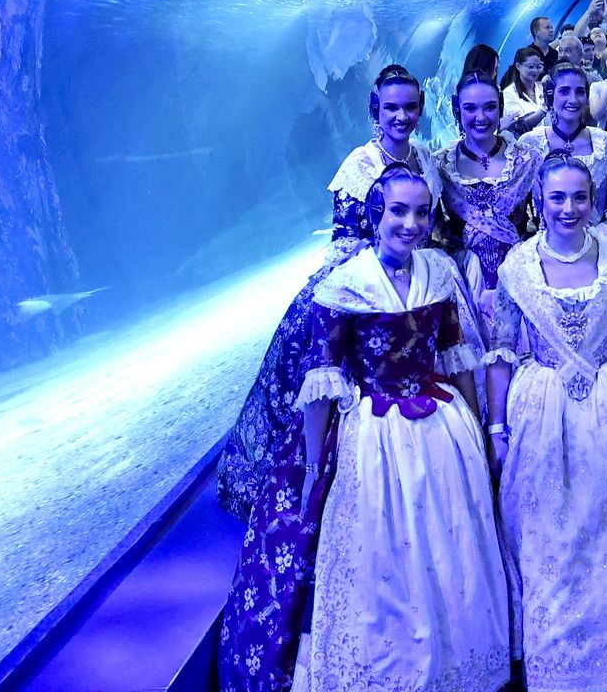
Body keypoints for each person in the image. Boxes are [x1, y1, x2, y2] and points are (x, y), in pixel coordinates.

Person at [219, 164, 508, 692]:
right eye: (398, 211)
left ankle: (456, 656)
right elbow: (323, 380)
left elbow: (454, 353)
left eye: (421, 212)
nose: (411, 223)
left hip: (440, 427)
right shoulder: (345, 287)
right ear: (376, 215)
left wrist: (479, 425)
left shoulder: (439, 274)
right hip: (372, 435)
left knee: (449, 545)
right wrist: (310, 467)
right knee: (383, 556)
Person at [216, 64, 441, 521]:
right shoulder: (359, 166)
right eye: (391, 107)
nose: (401, 116)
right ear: (375, 110)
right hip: (363, 286)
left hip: (418, 281)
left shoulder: (425, 158)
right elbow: (345, 239)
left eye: (410, 107)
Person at [486, 155, 607, 692]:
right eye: (556, 199)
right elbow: (500, 352)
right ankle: (556, 666)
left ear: (593, 200)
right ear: (538, 203)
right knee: (552, 542)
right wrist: (497, 430)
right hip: (543, 412)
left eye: (579, 197)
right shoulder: (517, 268)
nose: (569, 208)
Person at [435, 71, 543, 341]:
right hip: (465, 280)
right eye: (470, 108)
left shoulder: (527, 159)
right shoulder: (439, 165)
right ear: (456, 109)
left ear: (501, 108)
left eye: (489, 107)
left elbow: (544, 224)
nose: (480, 117)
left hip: (519, 272)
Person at [517, 60, 607, 246]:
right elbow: (519, 212)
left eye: (579, 92)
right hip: (546, 245)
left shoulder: (606, 142)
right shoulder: (529, 144)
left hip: (599, 243)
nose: (573, 99)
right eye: (564, 91)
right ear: (550, 95)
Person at [501, 46, 548, 138]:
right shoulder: (509, 93)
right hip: (524, 145)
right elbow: (519, 125)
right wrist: (544, 110)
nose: (535, 71)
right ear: (518, 66)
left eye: (538, 67)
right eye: (531, 67)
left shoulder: (543, 87)